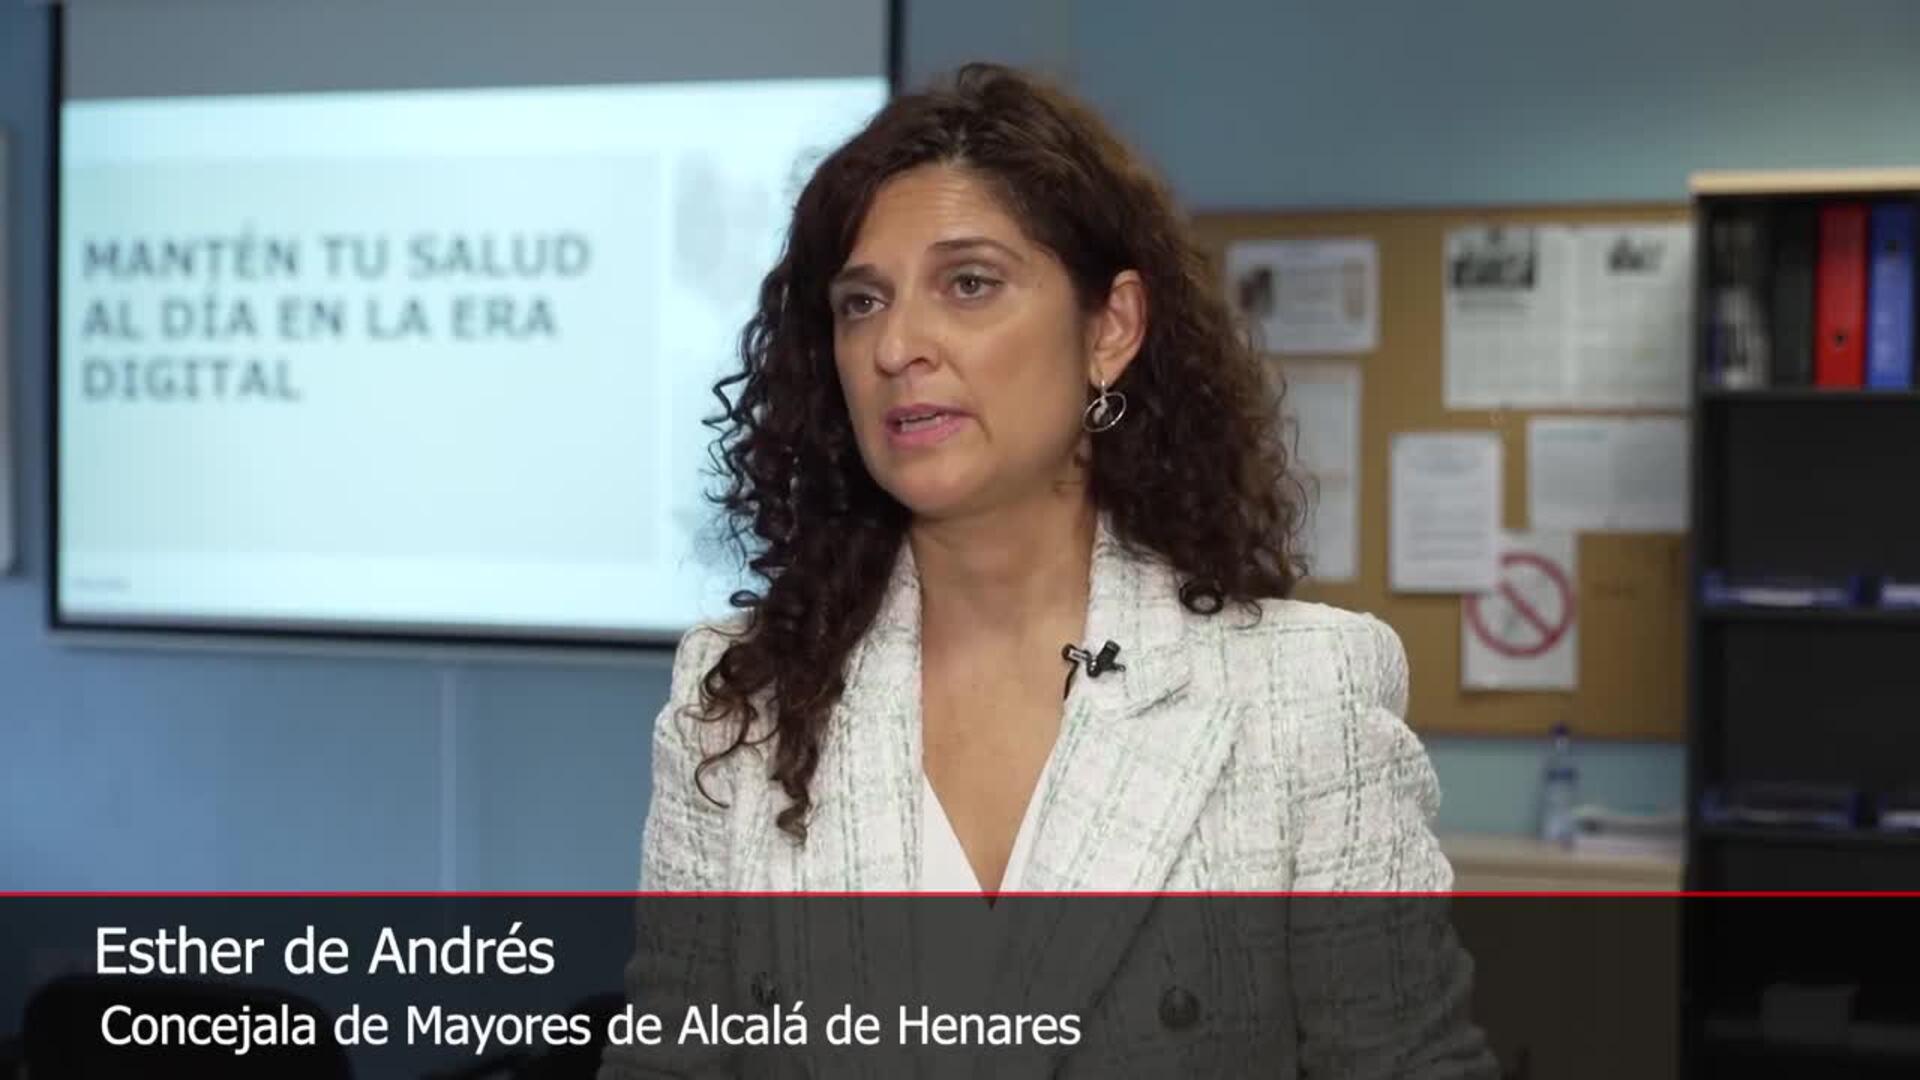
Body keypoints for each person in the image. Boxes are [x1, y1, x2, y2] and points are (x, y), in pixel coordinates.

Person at [605, 63, 1494, 1078]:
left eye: (969, 284)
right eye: (861, 302)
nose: (898, 345)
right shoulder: (742, 696)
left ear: (1110, 329)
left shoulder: (1300, 694)